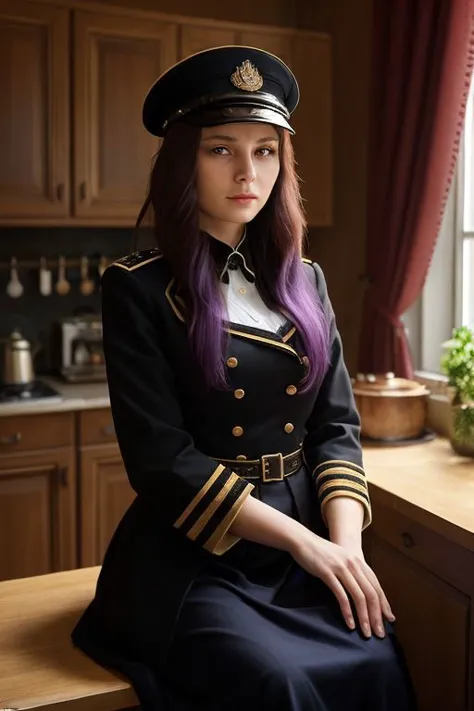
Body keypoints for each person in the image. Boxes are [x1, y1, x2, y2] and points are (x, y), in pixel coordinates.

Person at [71, 46, 416, 711]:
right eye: (220, 149)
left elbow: (336, 427)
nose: (246, 171)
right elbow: (162, 461)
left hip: (304, 544)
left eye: (265, 150)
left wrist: (344, 553)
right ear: (183, 161)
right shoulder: (136, 289)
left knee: (377, 657)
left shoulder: (307, 280)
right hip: (194, 559)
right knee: (274, 684)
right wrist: (306, 544)